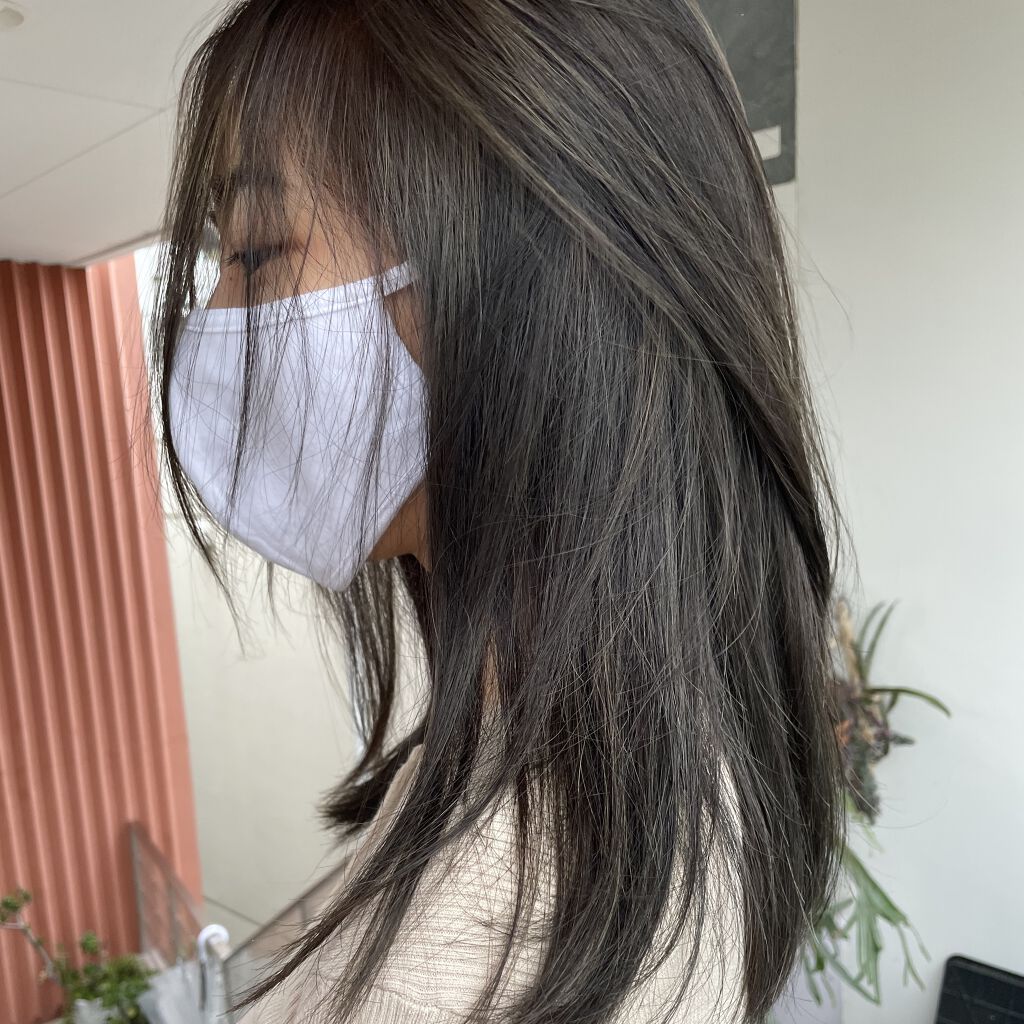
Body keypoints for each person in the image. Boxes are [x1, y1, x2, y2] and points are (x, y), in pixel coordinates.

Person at [152, 1, 848, 1021]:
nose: (217, 321)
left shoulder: (461, 966)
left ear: (512, 278)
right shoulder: (642, 782)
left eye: (255, 252)